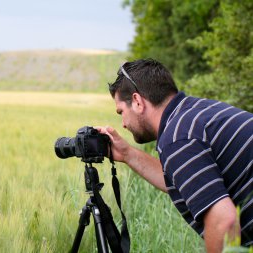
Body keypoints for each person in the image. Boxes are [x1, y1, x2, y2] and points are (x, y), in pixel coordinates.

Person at [97, 58, 253, 252]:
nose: (123, 123)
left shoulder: (177, 138)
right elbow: (182, 179)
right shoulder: (195, 113)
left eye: (121, 111)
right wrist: (127, 153)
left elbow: (224, 223)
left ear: (137, 101)